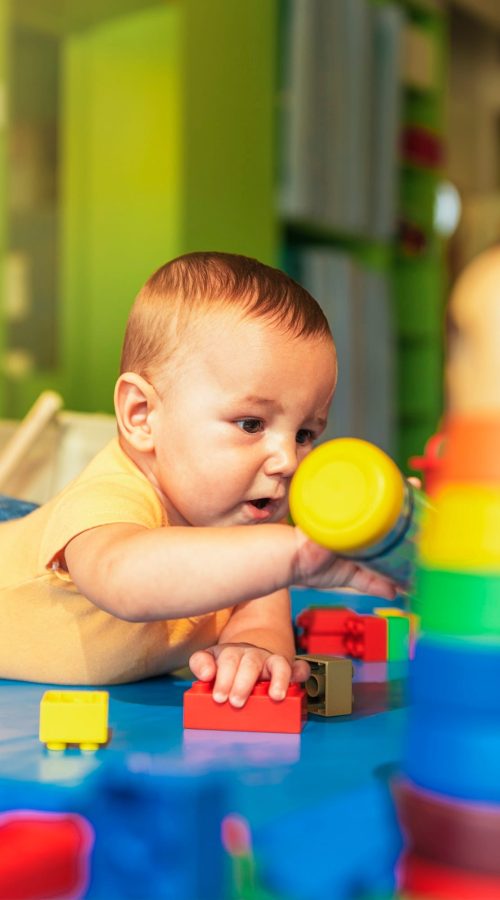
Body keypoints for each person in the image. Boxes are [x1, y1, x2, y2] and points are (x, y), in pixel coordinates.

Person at [0, 252, 396, 704]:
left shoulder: (250, 527)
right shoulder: (110, 497)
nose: (288, 459)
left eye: (305, 433)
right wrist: (296, 556)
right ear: (142, 415)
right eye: (251, 424)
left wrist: (253, 649)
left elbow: (261, 612)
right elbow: (124, 578)